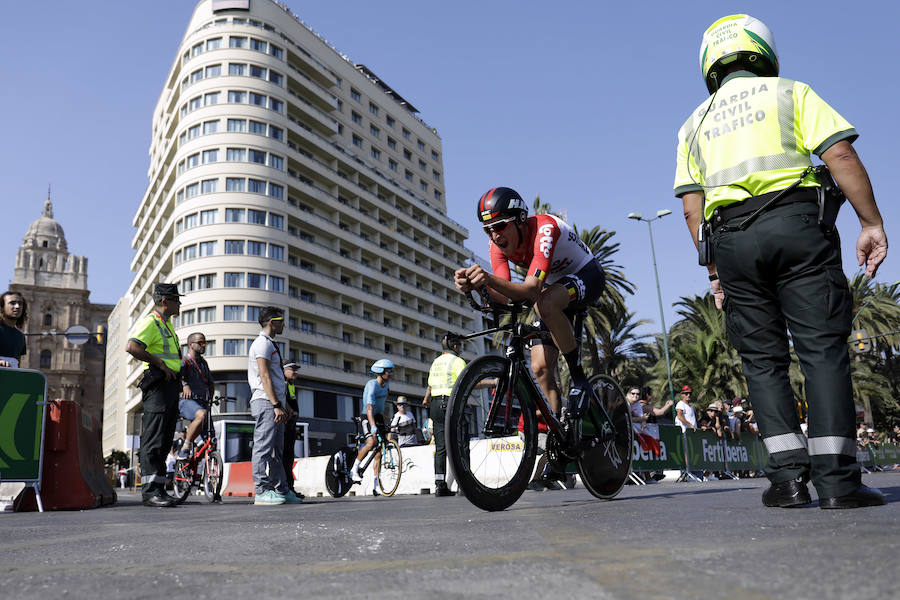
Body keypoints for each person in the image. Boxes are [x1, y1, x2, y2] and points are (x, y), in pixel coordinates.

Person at [675, 14, 886, 509]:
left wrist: (714, 272)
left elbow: (691, 206)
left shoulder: (693, 124)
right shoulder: (791, 92)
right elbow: (842, 158)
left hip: (731, 242)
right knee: (820, 350)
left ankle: (787, 482)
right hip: (797, 227)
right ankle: (839, 483)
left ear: (710, 63)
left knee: (762, 361)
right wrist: (870, 223)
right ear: (761, 52)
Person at [454, 187, 606, 422]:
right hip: (555, 286)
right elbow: (505, 295)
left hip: (587, 274)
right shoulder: (497, 247)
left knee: (543, 303)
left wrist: (486, 278)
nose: (494, 236)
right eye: (487, 230)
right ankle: (559, 429)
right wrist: (477, 286)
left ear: (520, 220)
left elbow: (532, 290)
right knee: (540, 368)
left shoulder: (545, 229)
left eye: (500, 226)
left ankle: (579, 379)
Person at [124, 283, 183, 508]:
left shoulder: (166, 325)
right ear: (165, 301)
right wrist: (159, 363)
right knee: (154, 439)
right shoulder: (151, 322)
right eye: (177, 299)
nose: (180, 303)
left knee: (165, 438)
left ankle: (159, 489)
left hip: (170, 385)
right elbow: (132, 347)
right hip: (159, 385)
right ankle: (150, 492)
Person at [247, 306, 300, 506]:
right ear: (272, 322)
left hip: (275, 403)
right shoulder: (262, 344)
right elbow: (265, 375)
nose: (284, 324)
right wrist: (276, 404)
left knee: (278, 450)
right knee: (263, 447)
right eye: (281, 320)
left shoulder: (270, 344)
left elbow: (276, 379)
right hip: (266, 402)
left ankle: (282, 489)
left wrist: (283, 405)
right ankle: (261, 491)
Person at [423, 333, 466, 496]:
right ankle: (464, 485)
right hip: (451, 404)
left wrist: (427, 398)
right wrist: (493, 382)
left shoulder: (435, 362)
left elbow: (429, 385)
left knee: (440, 447)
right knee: (461, 443)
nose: (460, 349)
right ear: (455, 347)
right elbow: (465, 381)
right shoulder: (457, 361)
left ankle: (440, 486)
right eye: (460, 346)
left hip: (435, 405)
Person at [350, 358, 394, 496]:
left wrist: (386, 421)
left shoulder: (386, 386)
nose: (391, 373)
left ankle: (375, 485)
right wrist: (373, 426)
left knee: (379, 452)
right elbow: (369, 407)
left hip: (379, 416)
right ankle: (354, 470)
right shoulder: (371, 385)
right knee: (371, 442)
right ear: (381, 372)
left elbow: (383, 404)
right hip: (367, 416)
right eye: (389, 371)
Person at [177, 332, 214, 459]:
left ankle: (196, 466)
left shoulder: (203, 363)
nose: (204, 345)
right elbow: (176, 376)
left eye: (205, 343)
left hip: (202, 402)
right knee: (201, 414)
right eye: (200, 342)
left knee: (211, 442)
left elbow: (210, 383)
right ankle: (186, 446)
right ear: (190, 345)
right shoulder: (185, 361)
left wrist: (211, 398)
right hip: (187, 401)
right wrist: (184, 384)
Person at [281, 362, 304, 498]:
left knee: (289, 456)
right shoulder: (281, 383)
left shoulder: (290, 385)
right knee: (284, 456)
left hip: (291, 424)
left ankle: (289, 487)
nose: (295, 372)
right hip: (284, 424)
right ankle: (285, 487)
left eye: (296, 370)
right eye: (292, 369)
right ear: (283, 370)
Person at [0, 291, 27, 368]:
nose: (17, 306)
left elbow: (18, 365)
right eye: (12, 303)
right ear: (2, 307)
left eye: (20, 303)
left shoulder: (21, 336)